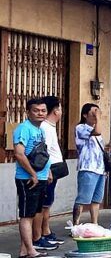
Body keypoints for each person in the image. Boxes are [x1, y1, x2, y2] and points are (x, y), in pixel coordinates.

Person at [13, 98, 51, 258]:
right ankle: (30, 250)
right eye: (36, 110)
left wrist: (48, 172)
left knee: (33, 213)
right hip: (27, 179)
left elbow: (42, 153)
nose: (40, 113)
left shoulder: (40, 130)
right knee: (27, 215)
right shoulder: (24, 129)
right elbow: (19, 154)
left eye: (43, 110)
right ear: (28, 112)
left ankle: (24, 249)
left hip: (40, 177)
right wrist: (33, 174)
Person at [36, 96, 65, 249]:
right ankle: (39, 236)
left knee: (48, 203)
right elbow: (43, 151)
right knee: (44, 204)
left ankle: (46, 232)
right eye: (60, 108)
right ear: (55, 110)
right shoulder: (45, 128)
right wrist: (47, 171)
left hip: (52, 170)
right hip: (48, 171)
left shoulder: (50, 127)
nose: (61, 112)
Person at [74, 103, 107, 226]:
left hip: (100, 169)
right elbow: (97, 131)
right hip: (88, 168)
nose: (95, 115)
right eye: (93, 113)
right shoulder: (81, 128)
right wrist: (98, 117)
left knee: (96, 200)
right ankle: (75, 225)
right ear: (85, 115)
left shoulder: (97, 131)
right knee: (82, 199)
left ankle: (95, 223)